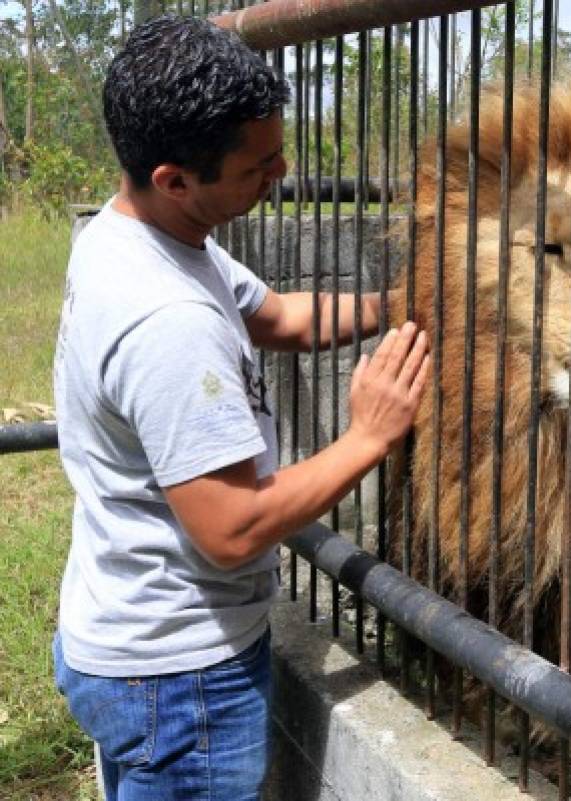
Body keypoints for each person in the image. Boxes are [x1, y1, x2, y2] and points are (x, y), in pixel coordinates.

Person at [51, 15, 429, 800]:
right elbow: (231, 529)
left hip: (127, 641)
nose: (281, 172)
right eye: (258, 165)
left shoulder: (143, 235)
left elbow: (280, 317)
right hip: (181, 679)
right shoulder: (168, 322)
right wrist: (367, 436)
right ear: (175, 178)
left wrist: (410, 303)